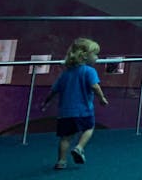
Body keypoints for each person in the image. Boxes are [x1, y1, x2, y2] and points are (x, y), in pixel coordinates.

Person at [40, 37, 109, 170]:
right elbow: (95, 86)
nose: (97, 57)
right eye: (95, 54)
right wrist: (102, 98)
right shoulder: (89, 71)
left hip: (65, 113)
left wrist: (45, 103)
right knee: (89, 128)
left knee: (65, 138)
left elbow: (53, 91)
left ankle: (61, 161)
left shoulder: (65, 74)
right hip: (83, 111)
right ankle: (79, 147)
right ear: (85, 56)